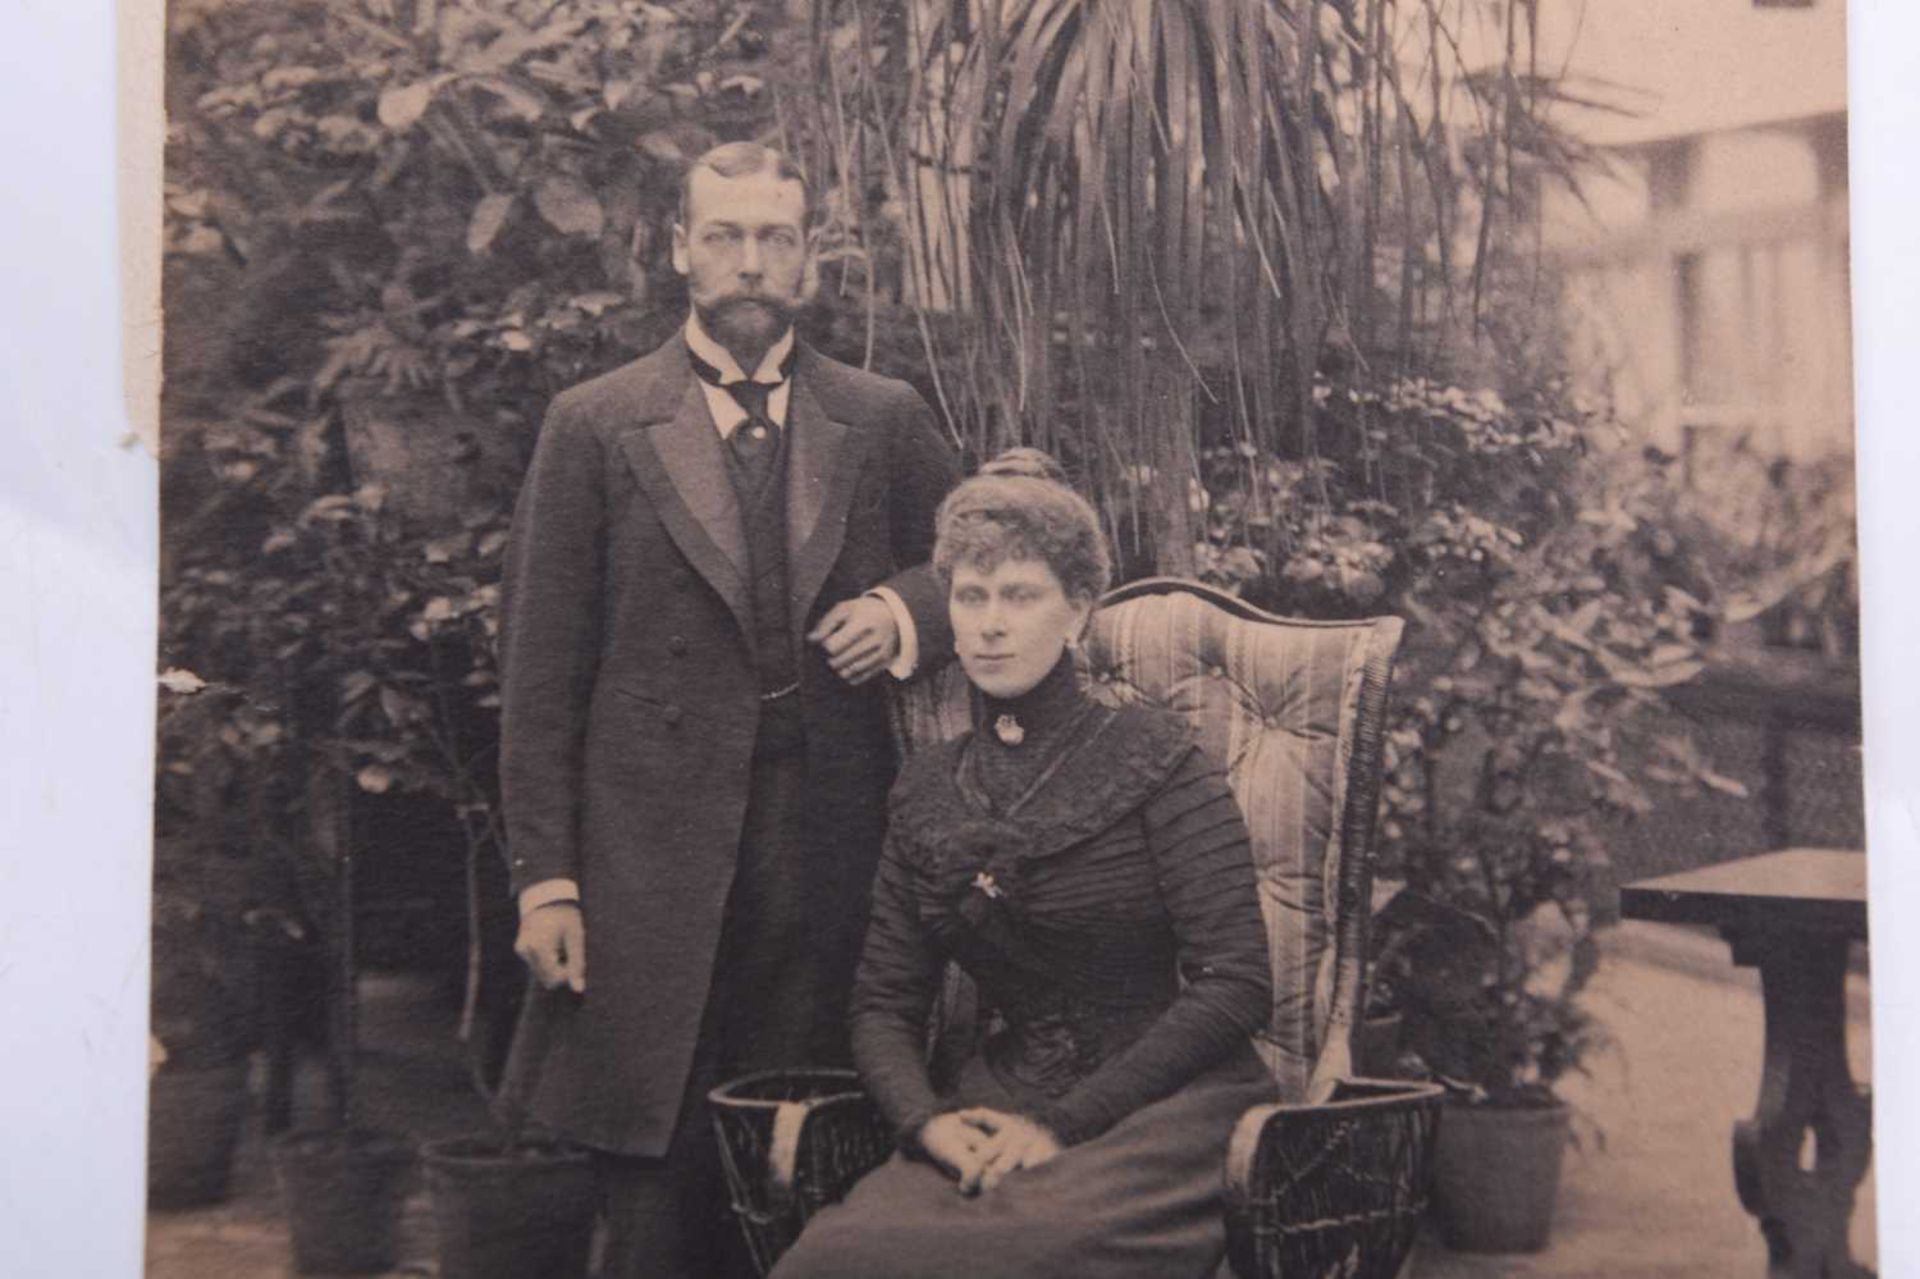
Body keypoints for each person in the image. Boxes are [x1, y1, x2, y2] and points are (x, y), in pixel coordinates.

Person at [495, 141, 961, 1278]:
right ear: (678, 252)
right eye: (725, 237)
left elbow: (984, 558)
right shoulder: (596, 423)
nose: (750, 263)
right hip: (646, 863)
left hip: (833, 855)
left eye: (775, 239)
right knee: (656, 1184)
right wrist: (547, 879)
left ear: (810, 257)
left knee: (818, 1154)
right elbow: (541, 668)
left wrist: (904, 612)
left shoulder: (882, 414)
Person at [770, 451, 1278, 1279]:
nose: (990, 623)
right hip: (994, 1104)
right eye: (971, 597)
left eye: (1021, 595)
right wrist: (924, 1123)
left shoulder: (1157, 759)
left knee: (1023, 1254)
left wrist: (1066, 1124)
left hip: (1166, 1109)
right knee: (829, 1257)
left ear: (1078, 613)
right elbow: (884, 1003)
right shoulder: (928, 787)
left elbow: (1237, 984)